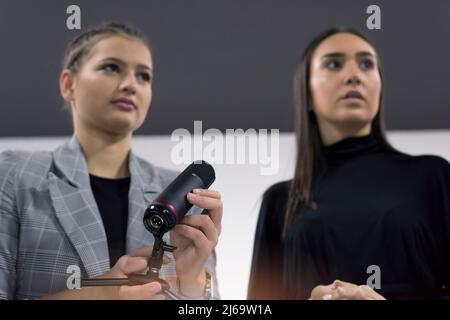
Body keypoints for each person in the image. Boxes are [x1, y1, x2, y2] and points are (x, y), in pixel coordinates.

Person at [0, 22, 222, 300]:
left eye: (144, 76)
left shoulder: (180, 193)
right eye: (111, 67)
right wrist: (103, 294)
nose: (130, 84)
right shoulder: (13, 174)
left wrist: (193, 279)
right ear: (69, 84)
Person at [248, 27, 450, 300]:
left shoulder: (433, 177)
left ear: (380, 87)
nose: (354, 75)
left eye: (367, 64)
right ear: (306, 91)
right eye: (333, 64)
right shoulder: (280, 201)